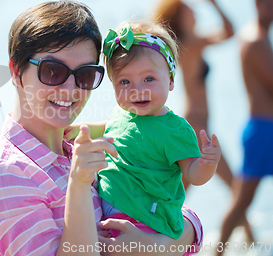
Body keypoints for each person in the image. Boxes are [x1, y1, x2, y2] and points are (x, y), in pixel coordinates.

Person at [0, 0, 203, 256]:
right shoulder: (5, 174)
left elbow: (176, 215)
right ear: (16, 71)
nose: (70, 90)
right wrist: (79, 185)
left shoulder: (80, 150)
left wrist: (155, 246)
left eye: (84, 74)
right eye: (52, 71)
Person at [66, 21, 221, 241]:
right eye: (125, 81)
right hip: (111, 209)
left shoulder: (175, 130)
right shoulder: (123, 114)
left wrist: (207, 164)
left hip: (147, 218)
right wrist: (77, 129)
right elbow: (109, 128)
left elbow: (192, 174)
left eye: (149, 79)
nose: (137, 90)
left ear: (170, 80)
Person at [152, 0, 254, 241]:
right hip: (198, 127)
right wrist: (214, 0)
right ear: (179, 14)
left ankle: (161, 236)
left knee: (183, 192)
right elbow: (230, 31)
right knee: (234, 185)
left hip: (196, 125)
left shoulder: (189, 42)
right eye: (188, 7)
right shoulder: (191, 43)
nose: (193, 9)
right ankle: (239, 243)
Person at [217, 0, 273, 253]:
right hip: (264, 130)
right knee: (242, 201)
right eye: (269, 3)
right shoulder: (255, 39)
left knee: (242, 200)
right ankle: (218, 250)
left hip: (265, 128)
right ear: (257, 3)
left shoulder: (261, 35)